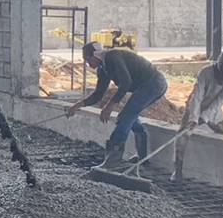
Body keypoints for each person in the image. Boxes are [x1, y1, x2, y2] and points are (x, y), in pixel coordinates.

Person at [67, 41, 169, 170]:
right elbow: (99, 94)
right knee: (129, 117)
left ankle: (113, 160)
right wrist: (77, 105)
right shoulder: (103, 69)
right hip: (145, 86)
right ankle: (142, 158)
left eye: (88, 59)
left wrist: (109, 106)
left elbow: (126, 83)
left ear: (96, 55)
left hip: (153, 83)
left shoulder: (113, 56)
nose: (88, 63)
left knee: (125, 117)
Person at [172, 47, 223, 182]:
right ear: (219, 63)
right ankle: (178, 171)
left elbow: (221, 99)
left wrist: (205, 117)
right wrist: (194, 118)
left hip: (214, 109)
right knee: (182, 137)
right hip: (194, 107)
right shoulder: (205, 72)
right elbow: (197, 97)